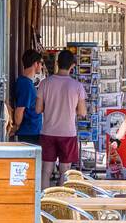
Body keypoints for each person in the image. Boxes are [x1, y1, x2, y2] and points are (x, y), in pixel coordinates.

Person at [37, 48, 86, 189]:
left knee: (46, 171)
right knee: (65, 172)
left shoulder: (45, 83)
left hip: (48, 131)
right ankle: (61, 203)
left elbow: (38, 109)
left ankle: (44, 203)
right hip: (68, 133)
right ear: (73, 66)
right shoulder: (77, 86)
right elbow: (82, 112)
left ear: (57, 63)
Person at [11, 49, 44, 146]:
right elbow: (20, 110)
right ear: (35, 64)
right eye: (41, 63)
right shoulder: (26, 85)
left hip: (31, 131)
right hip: (29, 133)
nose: (41, 66)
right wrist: (16, 126)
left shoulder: (25, 82)